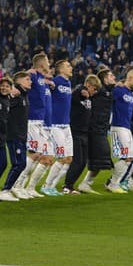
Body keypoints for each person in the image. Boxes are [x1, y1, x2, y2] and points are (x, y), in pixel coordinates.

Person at [12, 53, 52, 198]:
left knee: (38, 154)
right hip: (32, 119)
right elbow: (21, 78)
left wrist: (48, 81)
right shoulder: (33, 75)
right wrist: (28, 73)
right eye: (47, 61)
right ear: (41, 64)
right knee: (33, 153)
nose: (49, 63)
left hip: (40, 121)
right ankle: (17, 185)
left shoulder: (40, 78)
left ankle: (24, 186)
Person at [77, 68, 116, 194]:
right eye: (111, 76)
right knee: (100, 158)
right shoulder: (99, 91)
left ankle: (86, 183)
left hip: (102, 129)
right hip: (94, 129)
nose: (114, 77)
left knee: (101, 159)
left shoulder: (109, 92)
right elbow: (83, 91)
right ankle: (81, 183)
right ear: (105, 79)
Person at [62, 75, 100, 194]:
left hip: (84, 133)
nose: (95, 92)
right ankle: (67, 186)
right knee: (77, 161)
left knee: (83, 162)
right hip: (75, 131)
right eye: (94, 88)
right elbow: (76, 93)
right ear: (88, 85)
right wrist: (81, 90)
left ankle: (70, 185)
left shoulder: (88, 98)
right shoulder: (79, 92)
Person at [106, 68, 133, 193]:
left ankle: (114, 183)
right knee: (126, 157)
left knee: (130, 157)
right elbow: (107, 99)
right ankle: (113, 184)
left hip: (126, 127)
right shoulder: (118, 90)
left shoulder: (129, 93)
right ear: (130, 78)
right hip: (118, 126)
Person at [42, 60, 75, 196]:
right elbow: (43, 85)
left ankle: (53, 186)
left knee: (68, 159)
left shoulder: (68, 83)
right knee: (61, 157)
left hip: (66, 125)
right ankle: (46, 185)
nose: (71, 68)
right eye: (68, 66)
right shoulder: (55, 81)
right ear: (60, 69)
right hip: (55, 125)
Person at [0, 72, 32, 201]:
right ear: (19, 81)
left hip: (21, 135)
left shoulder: (23, 95)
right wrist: (10, 95)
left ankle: (10, 188)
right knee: (18, 163)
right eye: (27, 79)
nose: (31, 82)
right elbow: (5, 108)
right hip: (14, 135)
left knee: (21, 164)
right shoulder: (15, 94)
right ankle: (5, 190)